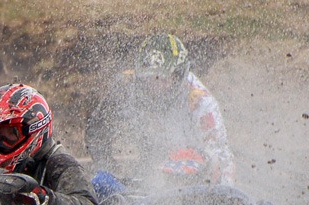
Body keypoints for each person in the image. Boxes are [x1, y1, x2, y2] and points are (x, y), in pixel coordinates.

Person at [87, 33, 235, 194]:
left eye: (161, 78)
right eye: (148, 77)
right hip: (146, 164)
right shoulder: (125, 86)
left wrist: (220, 198)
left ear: (178, 75)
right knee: (102, 182)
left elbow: (221, 158)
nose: (154, 86)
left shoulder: (200, 102)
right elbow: (96, 131)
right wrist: (108, 166)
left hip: (187, 173)